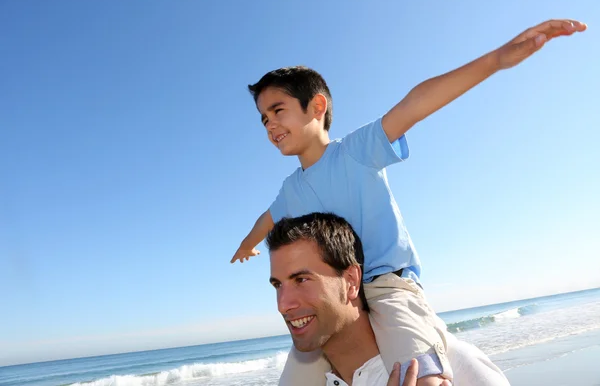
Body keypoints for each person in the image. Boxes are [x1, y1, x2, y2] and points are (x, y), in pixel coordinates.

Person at [232, 19, 587, 385]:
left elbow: (413, 105)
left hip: (387, 285)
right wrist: (247, 244)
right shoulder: (291, 188)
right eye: (263, 119)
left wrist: (495, 60)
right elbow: (268, 219)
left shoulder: (355, 152)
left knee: (418, 374)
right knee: (294, 375)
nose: (269, 125)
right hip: (338, 298)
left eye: (278, 111)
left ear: (317, 106)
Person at [266, 212, 510, 385]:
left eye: (302, 280)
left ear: (351, 281)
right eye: (278, 285)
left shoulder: (449, 369)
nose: (283, 304)